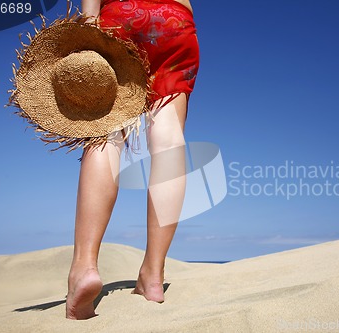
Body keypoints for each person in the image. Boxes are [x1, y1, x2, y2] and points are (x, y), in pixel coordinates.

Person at [65, 0, 199, 320]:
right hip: (176, 23)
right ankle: (153, 275)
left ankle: (84, 267)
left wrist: (89, 20)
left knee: (106, 135)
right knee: (168, 140)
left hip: (121, 17)